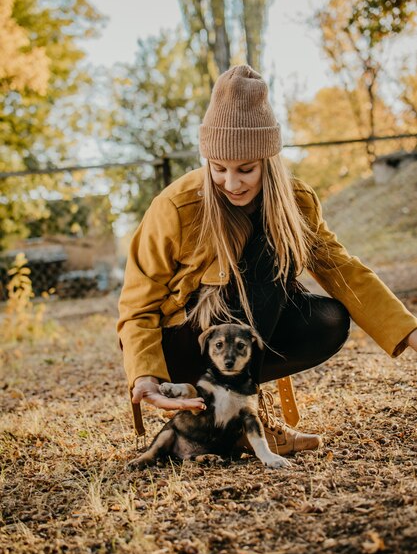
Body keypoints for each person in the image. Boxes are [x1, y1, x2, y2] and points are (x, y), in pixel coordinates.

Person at [117, 64, 417, 456]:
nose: (231, 183)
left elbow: (343, 270)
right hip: (183, 344)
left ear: (269, 161)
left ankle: (237, 415)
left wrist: (409, 332)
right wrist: (144, 377)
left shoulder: (295, 203)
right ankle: (229, 416)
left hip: (242, 341)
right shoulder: (176, 206)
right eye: (218, 168)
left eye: (246, 169)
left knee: (328, 319)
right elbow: (137, 303)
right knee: (265, 256)